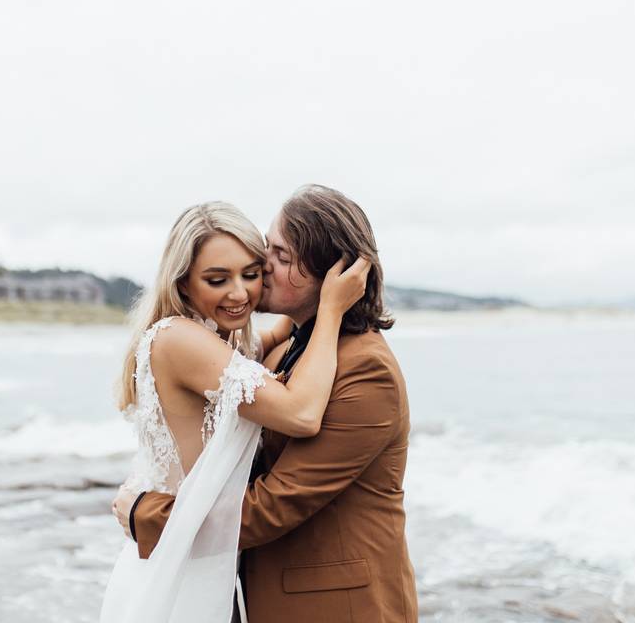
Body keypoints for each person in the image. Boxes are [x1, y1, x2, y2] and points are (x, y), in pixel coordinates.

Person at [116, 185, 418, 623]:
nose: (263, 263)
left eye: (280, 254)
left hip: (341, 609)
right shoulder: (280, 351)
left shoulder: (367, 372)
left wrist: (146, 514)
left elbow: (272, 506)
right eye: (267, 246)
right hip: (255, 594)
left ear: (330, 273)